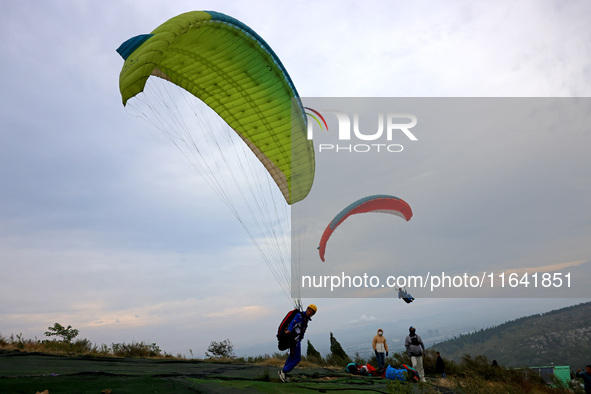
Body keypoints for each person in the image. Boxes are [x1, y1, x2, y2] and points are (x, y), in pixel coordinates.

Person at [278, 304, 317, 382]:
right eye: (309, 310)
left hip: (296, 340)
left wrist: (301, 338)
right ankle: (283, 371)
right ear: (307, 309)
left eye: (311, 312)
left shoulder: (306, 318)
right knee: (297, 359)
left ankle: (284, 373)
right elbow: (293, 323)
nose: (309, 313)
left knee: (291, 357)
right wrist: (289, 330)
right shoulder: (299, 316)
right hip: (294, 340)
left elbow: (302, 329)